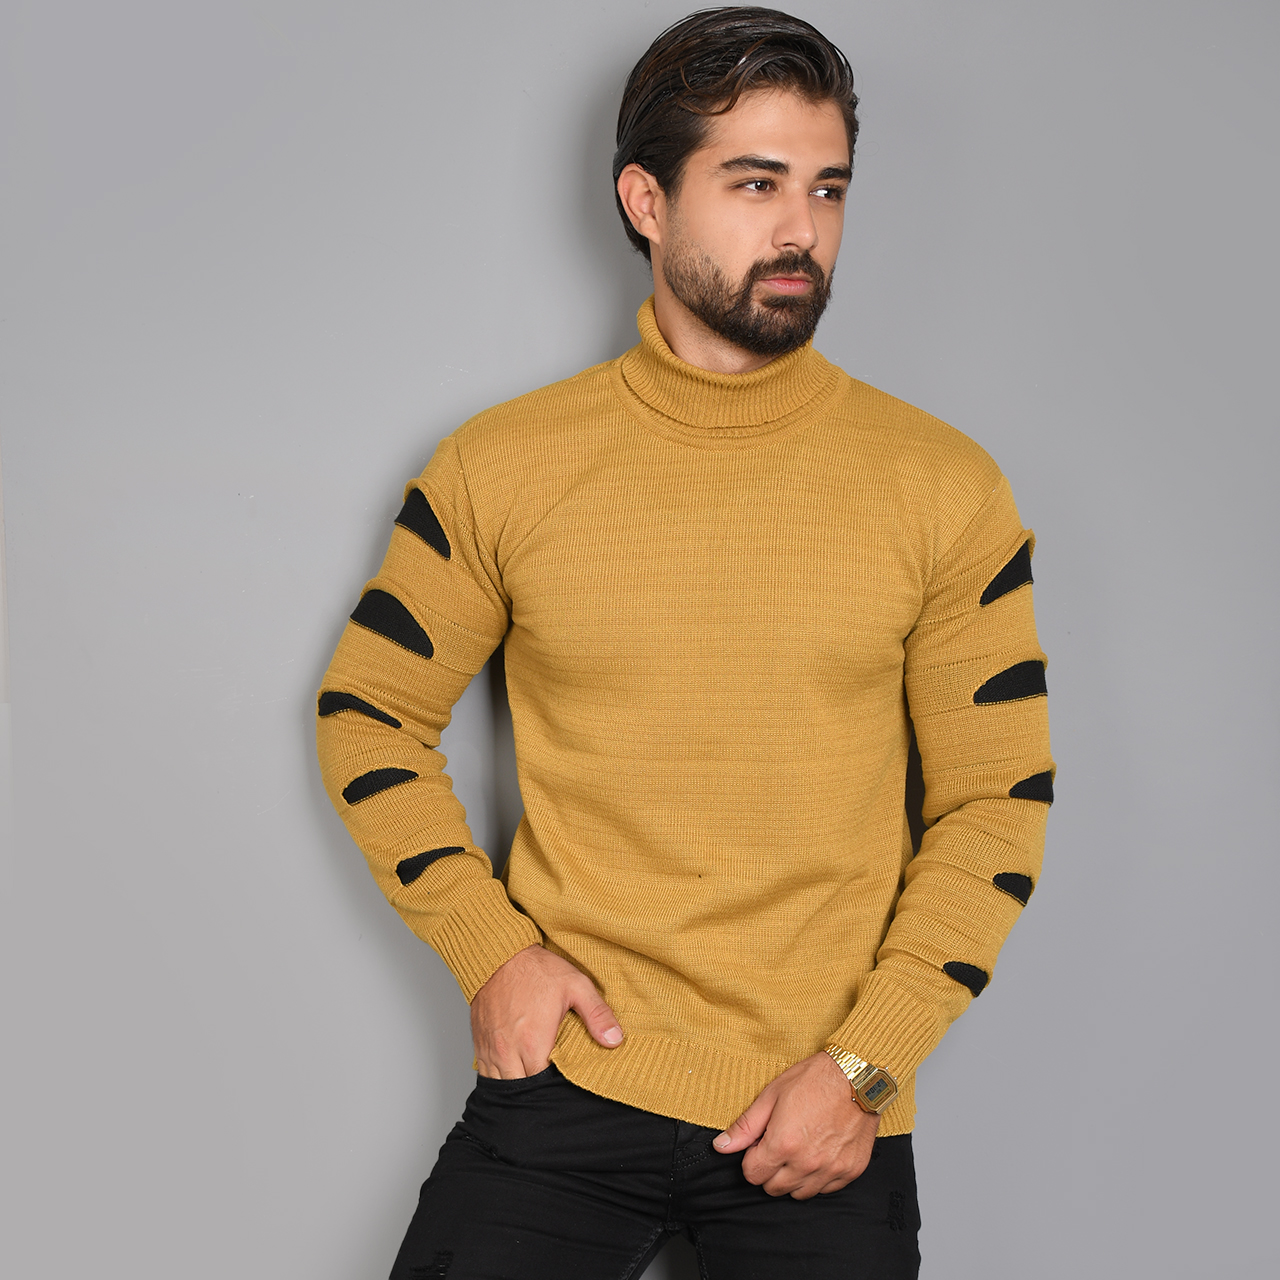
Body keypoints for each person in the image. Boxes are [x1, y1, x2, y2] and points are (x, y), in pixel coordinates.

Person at [317, 8, 1054, 1277]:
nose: (800, 229)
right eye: (754, 184)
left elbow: (996, 799)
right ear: (645, 201)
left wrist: (865, 1065)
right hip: (567, 1087)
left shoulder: (944, 487)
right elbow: (367, 710)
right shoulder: (501, 465)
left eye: (826, 188)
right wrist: (493, 954)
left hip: (822, 1108)